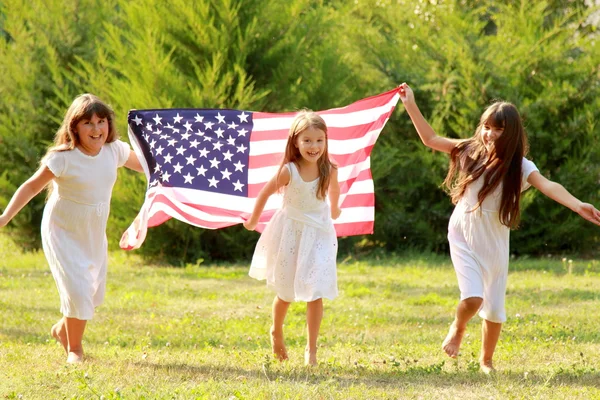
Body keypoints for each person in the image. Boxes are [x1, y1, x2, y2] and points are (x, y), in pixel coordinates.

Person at [398, 82, 600, 374]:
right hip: (463, 232)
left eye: (498, 129)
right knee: (473, 297)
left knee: (493, 306)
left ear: (512, 134)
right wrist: (410, 103)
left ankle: (486, 361)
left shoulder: (521, 166)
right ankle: (458, 325)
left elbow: (548, 186)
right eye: (486, 127)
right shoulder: (470, 150)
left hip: (494, 239)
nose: (489, 134)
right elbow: (430, 138)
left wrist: (577, 204)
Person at [0, 94, 144, 363]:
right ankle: (74, 349)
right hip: (62, 231)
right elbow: (31, 186)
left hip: (92, 232)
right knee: (77, 289)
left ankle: (61, 329)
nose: (96, 129)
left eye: (101, 121)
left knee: (90, 291)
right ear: (74, 127)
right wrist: (5, 216)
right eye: (88, 123)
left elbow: (148, 167)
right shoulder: (63, 158)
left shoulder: (115, 151)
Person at [243, 110, 341, 366]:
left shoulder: (330, 169)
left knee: (316, 289)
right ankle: (276, 332)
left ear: (326, 141)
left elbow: (334, 199)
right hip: (291, 233)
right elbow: (264, 194)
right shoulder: (290, 170)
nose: (314, 146)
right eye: (307, 140)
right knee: (285, 291)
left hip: (319, 233)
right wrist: (253, 220)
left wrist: (336, 210)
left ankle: (312, 350)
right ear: (295, 142)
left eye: (319, 140)